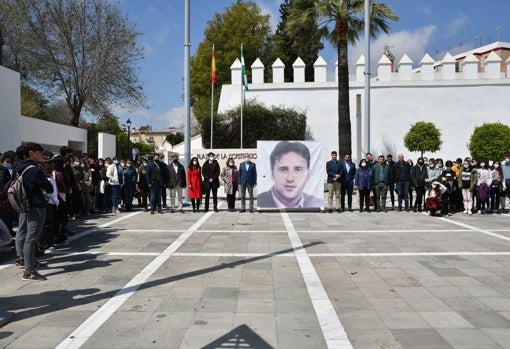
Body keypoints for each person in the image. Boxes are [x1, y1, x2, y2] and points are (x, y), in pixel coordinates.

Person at [14, 142, 54, 281]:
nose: (42, 156)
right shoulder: (34, 170)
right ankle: (28, 271)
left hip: (23, 205)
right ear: (31, 153)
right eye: (40, 153)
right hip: (35, 206)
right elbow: (49, 187)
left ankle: (24, 261)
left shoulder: (18, 167)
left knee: (23, 233)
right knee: (31, 238)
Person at [257, 141, 322, 209]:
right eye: (283, 170)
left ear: (308, 174)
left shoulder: (317, 203)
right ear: (272, 173)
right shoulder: (261, 202)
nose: (290, 178)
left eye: (297, 169)